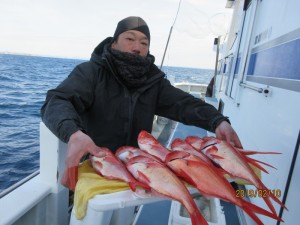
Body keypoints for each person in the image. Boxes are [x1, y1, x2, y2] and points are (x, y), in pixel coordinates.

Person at [41, 16, 242, 190]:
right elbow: (57, 100)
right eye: (129, 39)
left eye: (144, 43)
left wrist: (217, 121)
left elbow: (184, 104)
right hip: (96, 166)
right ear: (113, 44)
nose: (137, 47)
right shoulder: (90, 73)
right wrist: (73, 133)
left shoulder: (153, 82)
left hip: (138, 169)